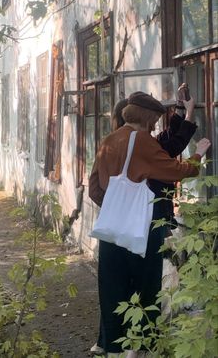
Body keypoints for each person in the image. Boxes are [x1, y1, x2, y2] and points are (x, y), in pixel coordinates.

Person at [89, 91, 211, 358]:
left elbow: (94, 189)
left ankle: (112, 349)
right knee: (147, 286)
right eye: (155, 118)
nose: (156, 124)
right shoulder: (142, 141)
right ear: (147, 117)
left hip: (110, 228)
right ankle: (141, 349)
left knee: (112, 287)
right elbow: (177, 171)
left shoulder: (108, 140)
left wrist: (118, 207)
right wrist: (198, 154)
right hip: (142, 227)